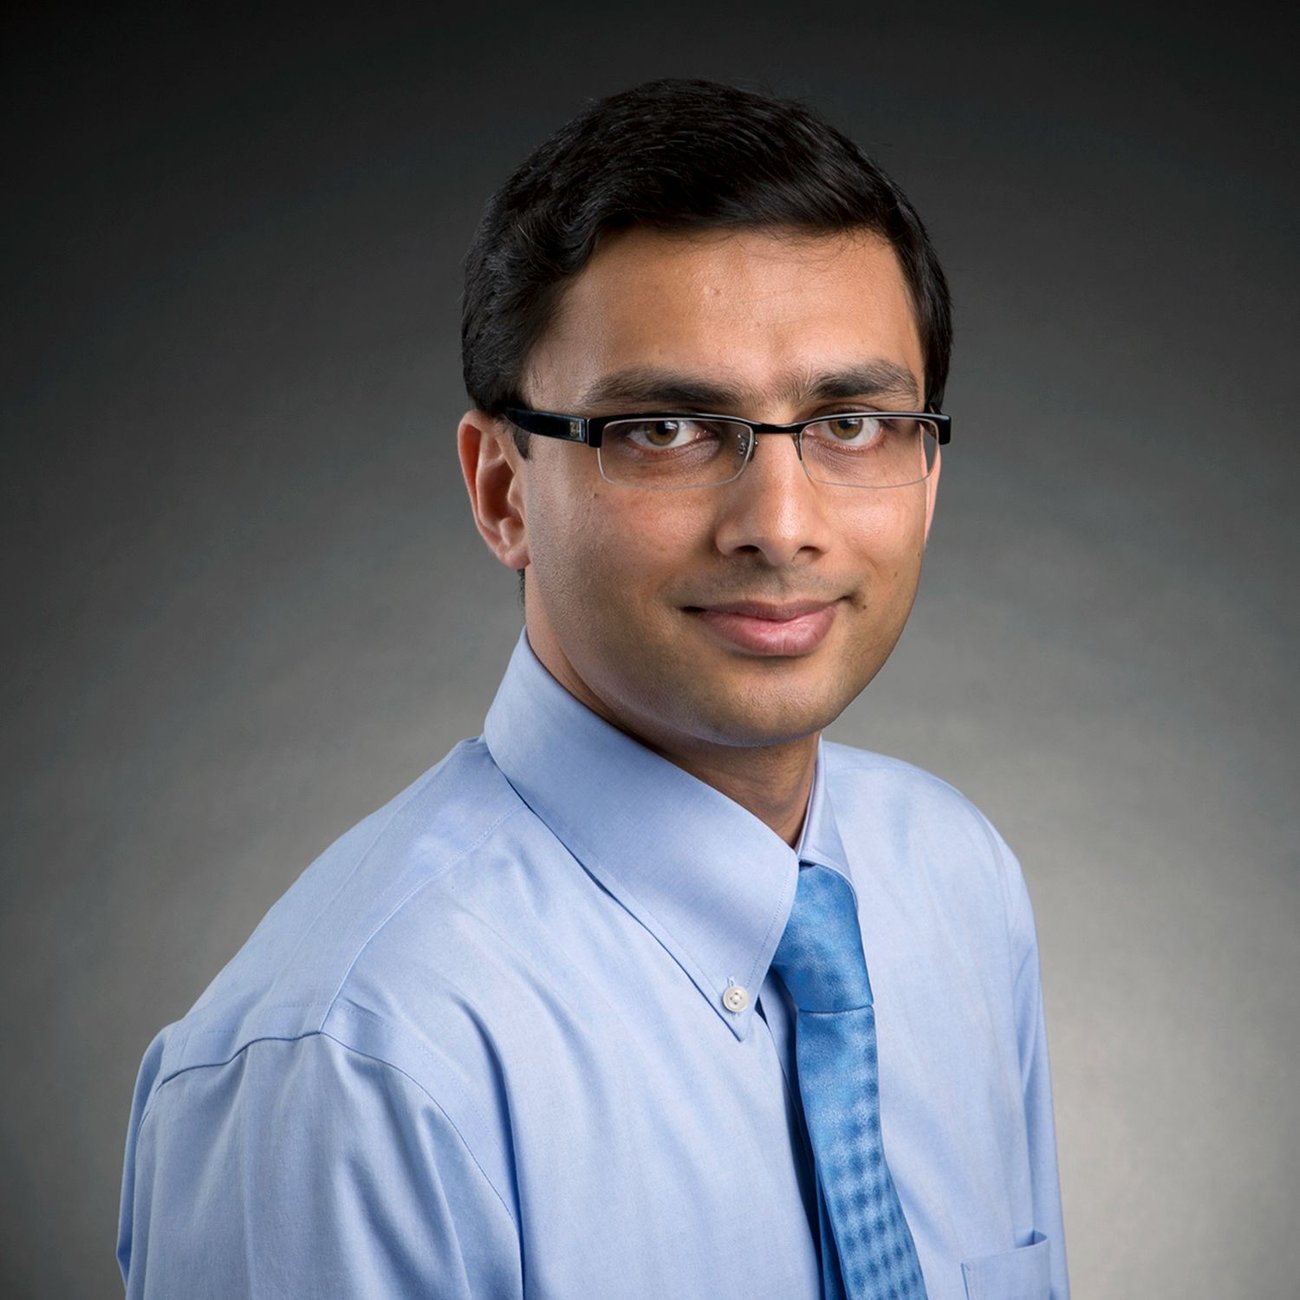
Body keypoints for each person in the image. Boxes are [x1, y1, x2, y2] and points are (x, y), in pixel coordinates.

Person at [118, 79, 1069, 1299]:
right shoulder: (359, 1063)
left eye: (850, 423)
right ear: (503, 488)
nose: (780, 526)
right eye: (665, 429)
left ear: (928, 473)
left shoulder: (957, 881)